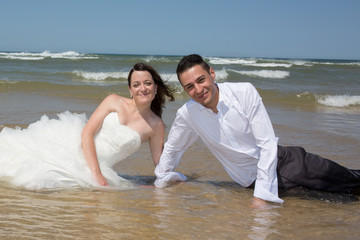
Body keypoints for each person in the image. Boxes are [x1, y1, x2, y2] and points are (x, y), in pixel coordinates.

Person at [154, 54, 360, 205]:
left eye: (201, 80)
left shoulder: (244, 92)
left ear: (212, 74)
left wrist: (261, 195)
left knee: (352, 180)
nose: (198, 90)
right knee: (339, 200)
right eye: (189, 86)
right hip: (257, 183)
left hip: (287, 163)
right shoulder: (188, 114)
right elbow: (173, 148)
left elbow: (267, 143)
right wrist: (160, 180)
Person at [0, 63, 174, 189]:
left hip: (103, 167)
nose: (142, 88)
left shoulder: (156, 125)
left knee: (43, 185)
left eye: (148, 83)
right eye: (136, 84)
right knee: (28, 174)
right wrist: (96, 172)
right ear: (130, 89)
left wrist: (172, 179)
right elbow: (87, 133)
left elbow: (159, 164)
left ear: (156, 87)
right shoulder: (113, 101)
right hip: (76, 149)